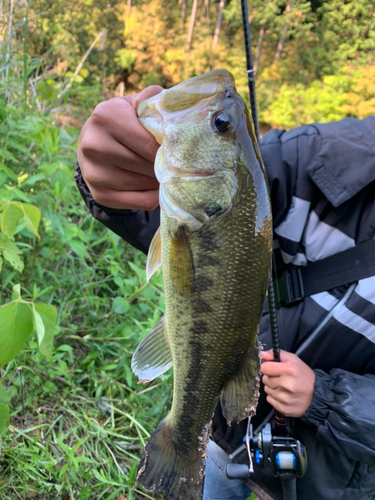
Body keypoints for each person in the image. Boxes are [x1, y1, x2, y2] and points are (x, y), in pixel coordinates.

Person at [76, 85, 375, 500]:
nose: (222, 122)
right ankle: (181, 438)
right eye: (223, 126)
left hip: (338, 479)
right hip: (231, 436)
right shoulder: (326, 155)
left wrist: (325, 399)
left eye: (221, 125)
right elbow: (180, 207)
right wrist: (111, 177)